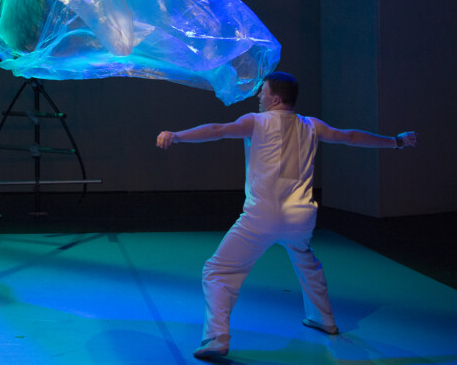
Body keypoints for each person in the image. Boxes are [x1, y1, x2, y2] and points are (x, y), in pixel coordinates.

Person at [156, 71, 416, 359]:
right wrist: (397, 141)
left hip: (263, 216)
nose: (258, 96)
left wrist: (177, 136)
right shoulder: (311, 125)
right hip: (301, 217)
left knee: (218, 271)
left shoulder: (255, 121)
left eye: (262, 91)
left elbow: (218, 130)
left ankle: (217, 337)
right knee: (306, 262)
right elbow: (350, 137)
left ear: (275, 98)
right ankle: (324, 319)